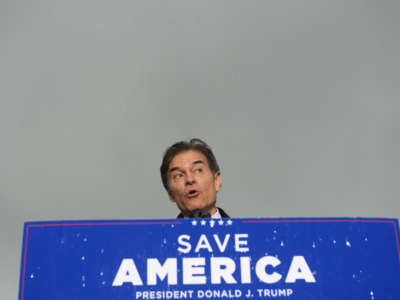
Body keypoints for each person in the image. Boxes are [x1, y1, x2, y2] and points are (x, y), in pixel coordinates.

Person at [160, 138, 230, 218]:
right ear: (170, 193)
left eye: (198, 170)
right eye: (179, 175)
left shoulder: (243, 230)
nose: (190, 180)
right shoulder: (155, 230)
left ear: (216, 181)